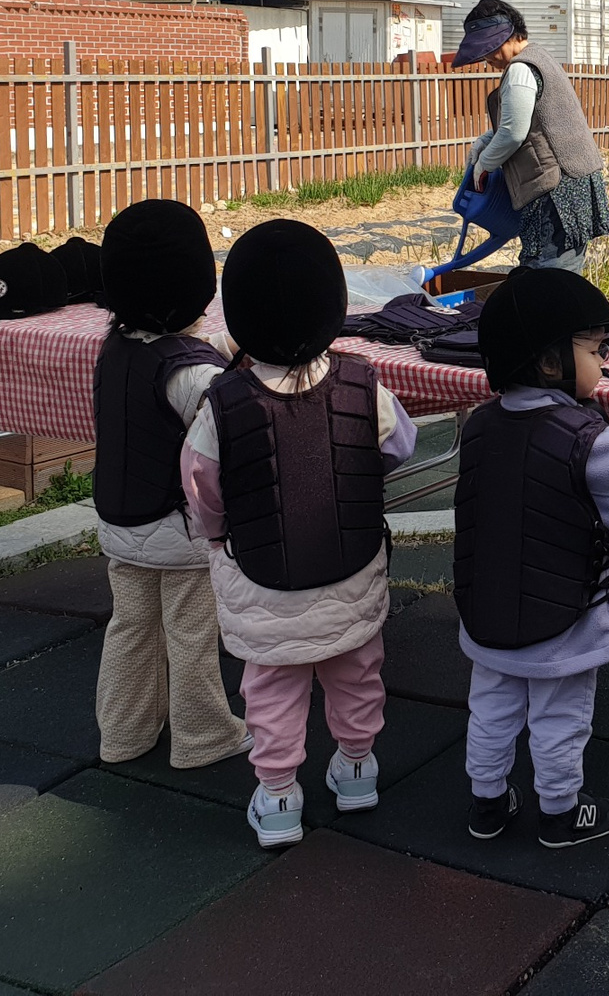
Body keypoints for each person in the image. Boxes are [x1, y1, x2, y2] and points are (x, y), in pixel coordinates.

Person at [180, 219, 416, 848]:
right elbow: (399, 447)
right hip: (353, 567)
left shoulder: (222, 402)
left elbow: (203, 488)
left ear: (237, 316)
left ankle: (279, 796)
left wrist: (219, 536)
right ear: (336, 305)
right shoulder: (365, 384)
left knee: (273, 689)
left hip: (263, 580)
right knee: (358, 673)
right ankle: (358, 768)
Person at [455, 265, 609, 847]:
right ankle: (561, 811)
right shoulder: (590, 443)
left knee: (490, 709)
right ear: (550, 363)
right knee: (560, 717)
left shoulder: (480, 426)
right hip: (563, 618)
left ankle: (487, 802)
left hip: (488, 608)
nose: (605, 362)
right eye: (596, 350)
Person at [92, 200, 249, 770]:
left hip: (118, 521)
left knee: (130, 627)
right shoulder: (191, 372)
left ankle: (124, 732)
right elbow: (223, 421)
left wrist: (226, 354)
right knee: (189, 634)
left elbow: (183, 368)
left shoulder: (113, 351)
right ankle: (202, 736)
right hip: (178, 533)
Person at [452, 0, 609, 272]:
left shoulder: (520, 70)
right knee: (565, 267)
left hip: (554, 189)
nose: (487, 57)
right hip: (576, 181)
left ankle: (559, 315)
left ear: (513, 36)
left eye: (492, 48)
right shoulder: (541, 58)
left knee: (548, 272)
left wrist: (483, 165)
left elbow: (514, 133)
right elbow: (535, 123)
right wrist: (484, 141)